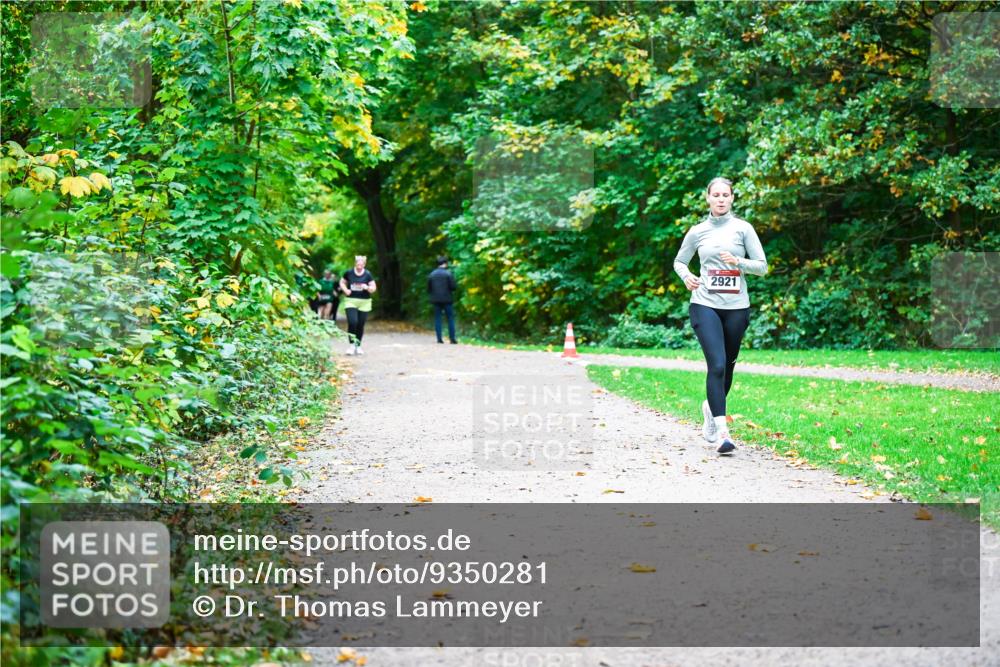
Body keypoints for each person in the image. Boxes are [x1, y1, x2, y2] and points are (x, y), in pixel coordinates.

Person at [672, 177, 768, 455]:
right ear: (708, 198)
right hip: (704, 303)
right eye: (716, 195)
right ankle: (722, 432)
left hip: (737, 307)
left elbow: (762, 267)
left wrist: (737, 262)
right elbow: (680, 261)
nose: (721, 199)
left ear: (732, 198)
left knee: (727, 366)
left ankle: (710, 408)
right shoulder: (698, 231)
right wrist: (687, 276)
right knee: (716, 364)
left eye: (726, 195)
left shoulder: (743, 229)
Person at [339, 255, 376, 355]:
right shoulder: (349, 273)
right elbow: (342, 282)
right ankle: (351, 346)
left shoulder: (368, 274)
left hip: (364, 302)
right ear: (355, 263)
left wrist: (367, 287)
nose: (359, 266)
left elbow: (373, 288)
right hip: (351, 301)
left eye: (361, 264)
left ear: (364, 264)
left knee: (360, 324)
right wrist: (346, 290)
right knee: (352, 322)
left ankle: (358, 345)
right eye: (357, 264)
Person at [427, 255, 458, 344]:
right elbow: (453, 287)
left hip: (436, 299)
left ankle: (439, 339)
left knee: (438, 318)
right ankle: (452, 339)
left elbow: (429, 289)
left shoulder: (432, 274)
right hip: (447, 299)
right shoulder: (448, 273)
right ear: (445, 263)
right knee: (450, 318)